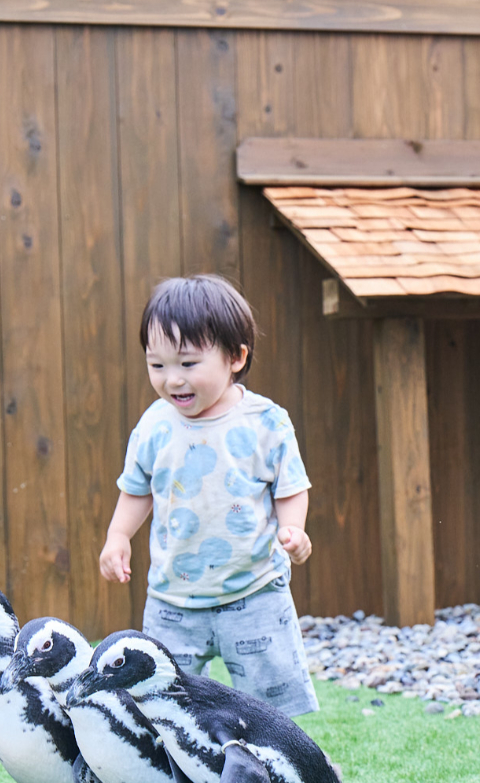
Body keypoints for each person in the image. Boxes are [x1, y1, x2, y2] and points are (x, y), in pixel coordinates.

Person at [99, 274, 319, 717]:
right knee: (157, 703)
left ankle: (276, 767)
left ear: (236, 357)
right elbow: (137, 489)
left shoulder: (265, 423)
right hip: (172, 598)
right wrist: (118, 536)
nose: (171, 380)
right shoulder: (155, 426)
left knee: (272, 707)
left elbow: (290, 487)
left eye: (187, 363)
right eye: (157, 365)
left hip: (255, 591)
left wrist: (293, 528)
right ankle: (171, 774)